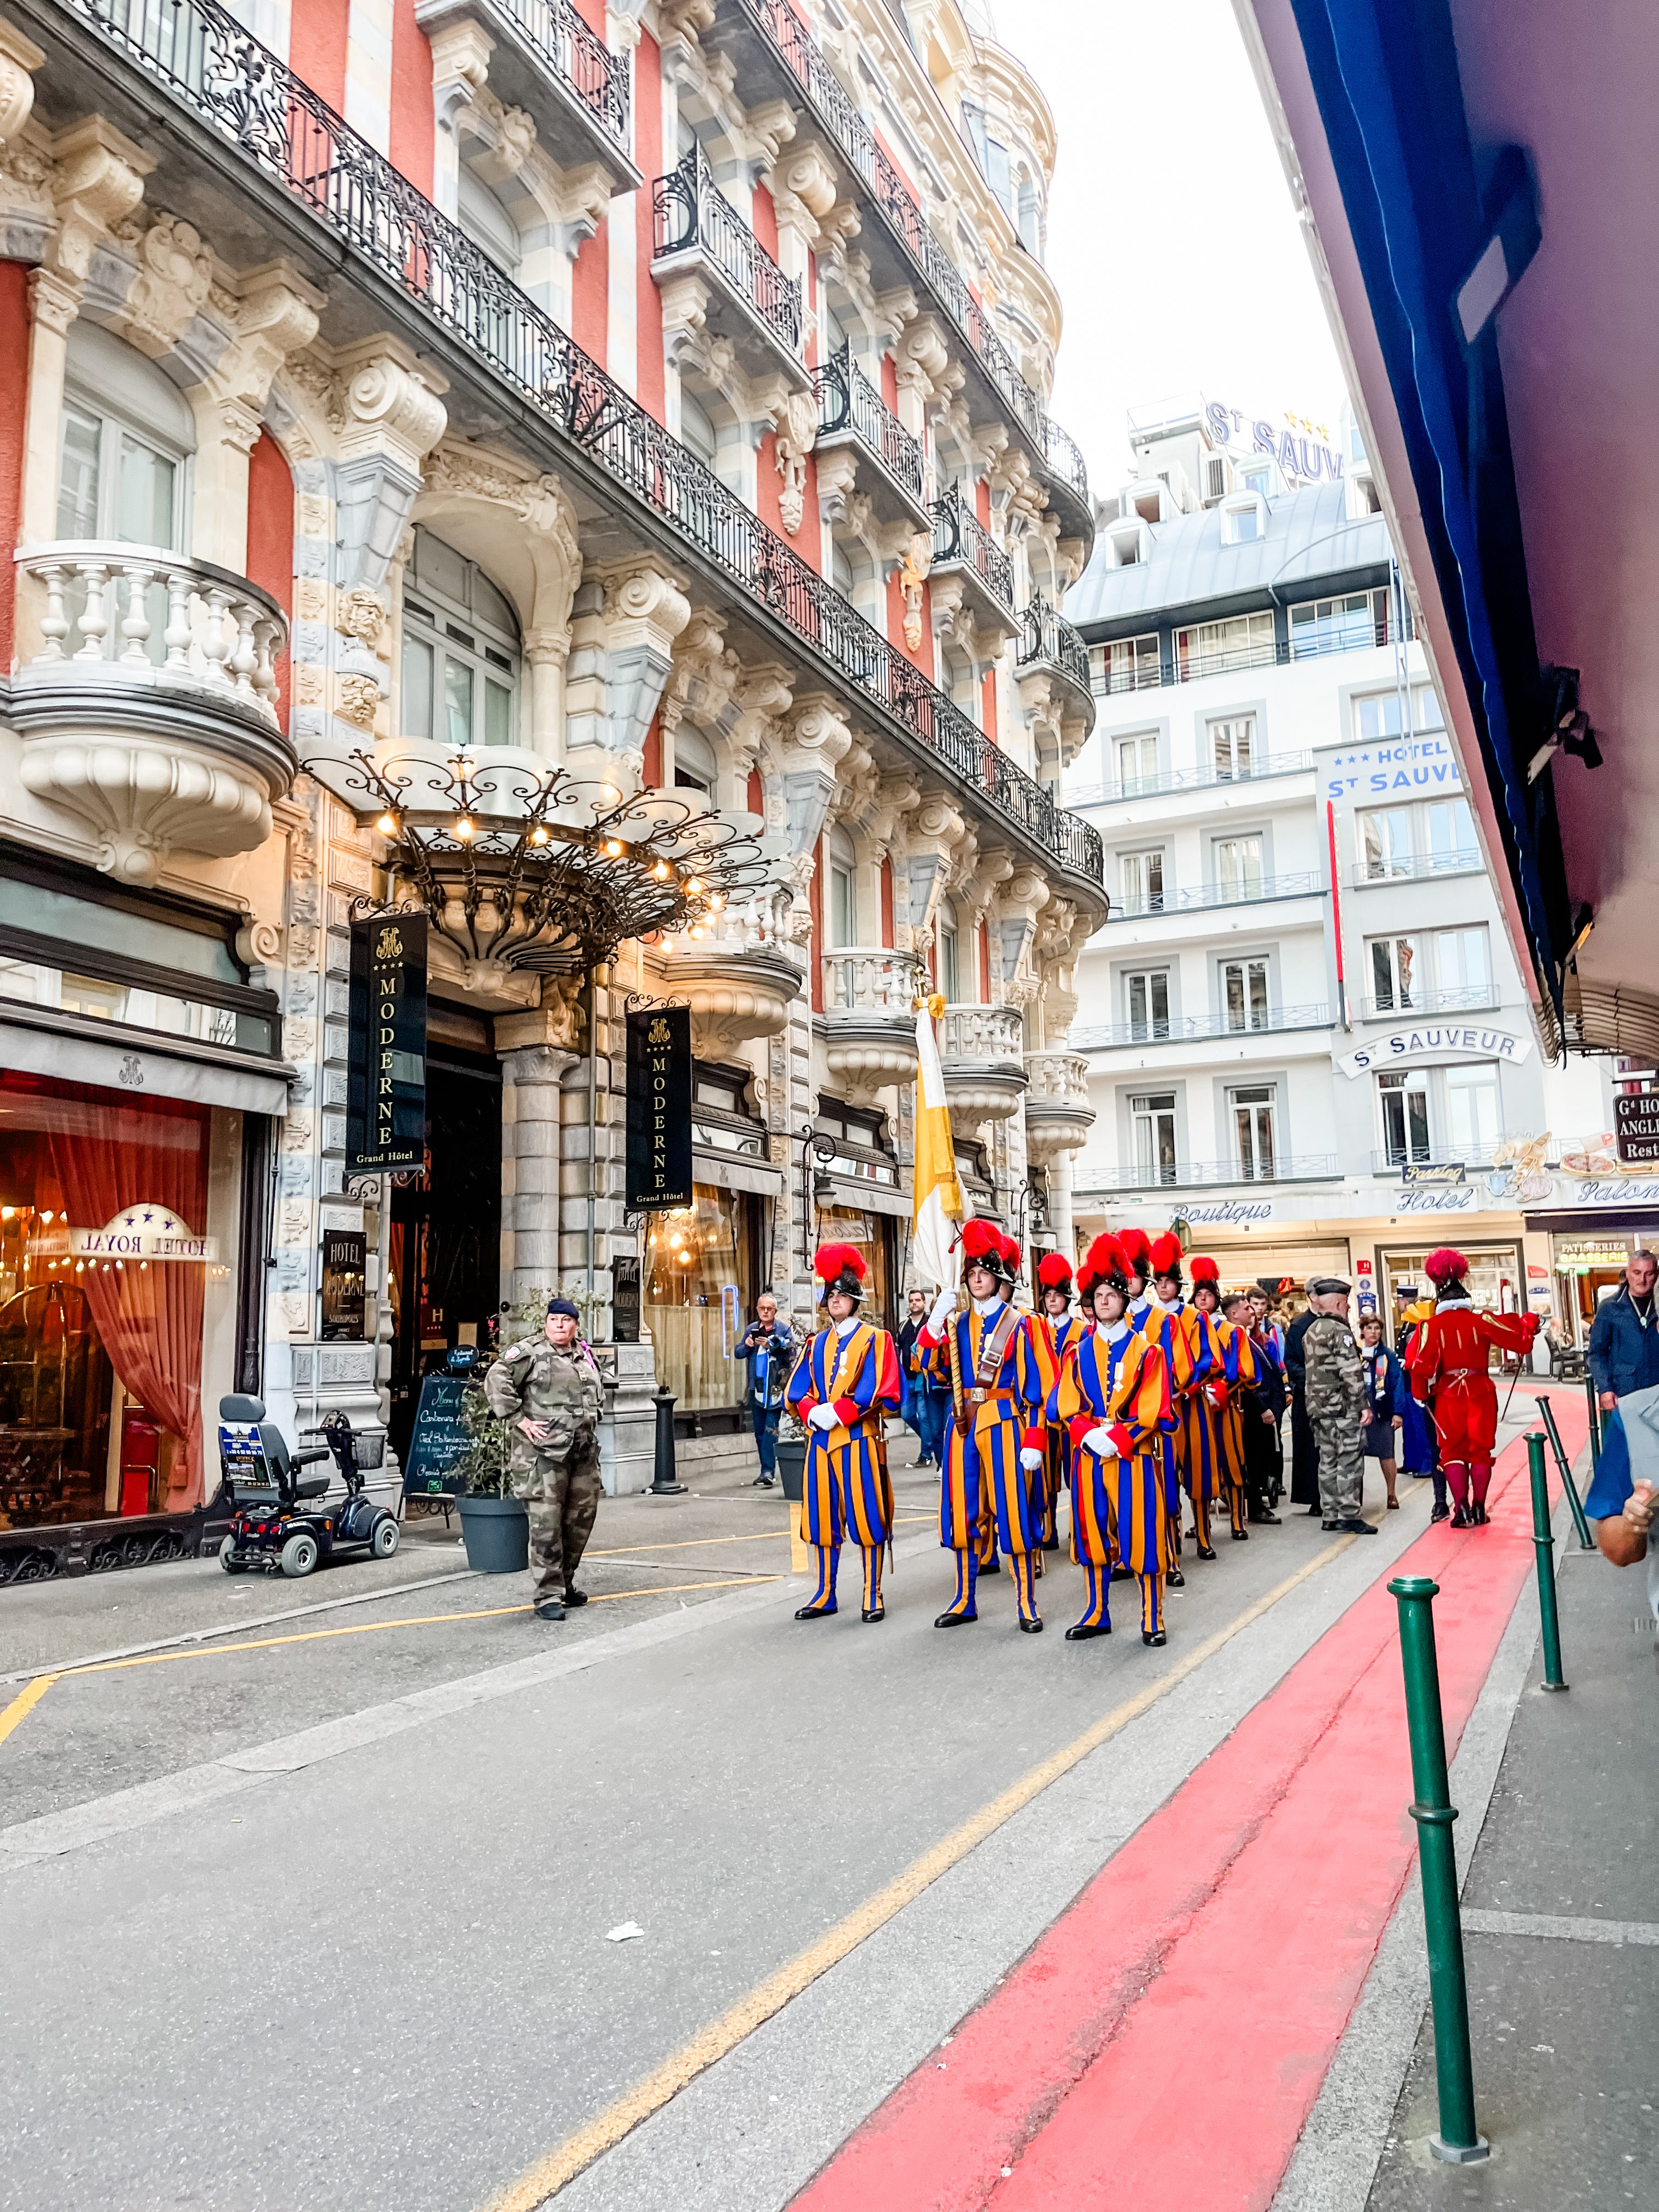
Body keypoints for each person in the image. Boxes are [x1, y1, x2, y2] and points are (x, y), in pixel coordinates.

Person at [918, 1218, 1047, 1631]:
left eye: (984, 1273)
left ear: (998, 1278)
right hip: (963, 1424)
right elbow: (928, 1366)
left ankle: (1026, 1601)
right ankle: (964, 1598)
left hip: (1005, 1421)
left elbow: (1040, 1388)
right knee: (963, 1510)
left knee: (1014, 1509)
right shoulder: (956, 1324)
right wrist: (933, 1324)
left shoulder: (1021, 1323)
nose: (977, 1280)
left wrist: (1035, 1438)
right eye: (971, 1273)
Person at [1053, 1234, 1176, 1645]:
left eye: (1111, 1295)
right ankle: (1096, 1611)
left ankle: (1152, 1616)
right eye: (1098, 1296)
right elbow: (1066, 1405)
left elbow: (1154, 1407)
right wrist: (1088, 1434)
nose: (1104, 1301)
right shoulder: (1076, 1353)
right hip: (1089, 1455)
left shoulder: (1149, 1352)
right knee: (1091, 1532)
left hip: (1133, 1457)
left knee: (1142, 1533)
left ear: (1125, 1299)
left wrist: (1121, 1437)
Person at [784, 1243, 902, 1622]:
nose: (835, 1300)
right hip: (820, 1440)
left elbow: (879, 1388)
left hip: (858, 1438)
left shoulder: (875, 1338)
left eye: (842, 1294)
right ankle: (825, 1592)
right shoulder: (816, 1343)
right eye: (830, 1294)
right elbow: (796, 1390)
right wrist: (812, 1411)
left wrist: (838, 1411)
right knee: (821, 1518)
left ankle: (872, 1592)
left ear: (855, 1300)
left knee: (868, 1515)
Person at [484, 1295, 607, 1621]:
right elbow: (497, 1378)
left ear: (576, 1325)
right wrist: (518, 1419)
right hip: (543, 1457)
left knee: (579, 1523)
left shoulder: (585, 1354)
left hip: (582, 1453)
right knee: (547, 1527)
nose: (559, 1325)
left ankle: (565, 1583)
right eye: (554, 1320)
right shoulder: (530, 1352)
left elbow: (596, 1394)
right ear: (546, 1323)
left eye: (566, 1321)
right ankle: (547, 1595)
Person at [1408, 1248, 1539, 1527]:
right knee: (1481, 1452)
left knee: (1452, 1452)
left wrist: (1421, 1396)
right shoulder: (1483, 1320)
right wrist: (1530, 1322)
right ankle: (1480, 1508)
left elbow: (1419, 1367)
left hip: (1448, 1394)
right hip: (1482, 1392)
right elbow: (1521, 1340)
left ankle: (1461, 1510)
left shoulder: (1430, 1327)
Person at [1139, 1232, 1198, 1586]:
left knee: (1168, 1485)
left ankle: (1172, 1556)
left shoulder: (1167, 1320)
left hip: (1164, 1412)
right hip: (1127, 1422)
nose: (1162, 1286)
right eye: (1157, 1281)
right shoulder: (1113, 1322)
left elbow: (1185, 1367)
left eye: (1167, 1281)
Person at [1585, 1250, 1659, 1515]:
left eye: (1649, 1274)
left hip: (1656, 1394)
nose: (1642, 1280)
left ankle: (1651, 1510)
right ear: (1628, 1273)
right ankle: (1616, 1514)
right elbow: (1596, 1353)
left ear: (1656, 1274)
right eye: (1637, 1273)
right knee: (1623, 1457)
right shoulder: (1610, 1308)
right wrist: (1605, 1388)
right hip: (1625, 1394)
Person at [1302, 1279, 1375, 1535]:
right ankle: (1349, 1515)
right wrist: (1363, 1405)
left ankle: (1330, 1514)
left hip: (1318, 1409)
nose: (1348, 1309)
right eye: (1345, 1304)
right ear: (1337, 1303)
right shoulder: (1339, 1331)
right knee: (1349, 1461)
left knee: (1327, 1461)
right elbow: (1351, 1371)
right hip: (1341, 1409)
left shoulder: (1311, 1330)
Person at [1028, 1251, 1087, 1550]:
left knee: (1075, 1475)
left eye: (1057, 1295)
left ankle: (1077, 1529)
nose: (1052, 1300)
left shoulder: (1081, 1330)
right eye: (1048, 1295)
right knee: (1045, 1476)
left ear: (1067, 1298)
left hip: (1072, 1411)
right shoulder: (1035, 1328)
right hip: (1044, 1411)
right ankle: (1049, 1529)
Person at [1181, 1256, 1237, 1555]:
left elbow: (1235, 1368)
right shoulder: (1185, 1322)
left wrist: (1221, 1391)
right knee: (1189, 1469)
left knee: (1229, 1460)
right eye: (1199, 1295)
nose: (1203, 1299)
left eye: (1208, 1295)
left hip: (1222, 1402)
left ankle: (1235, 1520)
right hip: (1190, 1400)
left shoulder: (1230, 1330)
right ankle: (1193, 1526)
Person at [1227, 1290, 1283, 1525]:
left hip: (1261, 1406)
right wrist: (1262, 1407)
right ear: (1234, 1314)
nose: (1251, 1311)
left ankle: (1255, 1504)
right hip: (1250, 1411)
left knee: (1260, 1458)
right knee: (1253, 1459)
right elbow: (1246, 1380)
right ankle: (1254, 1507)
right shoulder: (1234, 1338)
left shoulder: (1246, 1336)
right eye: (1246, 1308)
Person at [735, 1291, 797, 1488]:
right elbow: (738, 1353)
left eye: (769, 1309)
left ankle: (768, 1471)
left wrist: (772, 1346)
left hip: (775, 1390)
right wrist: (747, 1345)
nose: (765, 1311)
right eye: (762, 1308)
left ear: (775, 1311)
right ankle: (765, 1470)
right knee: (760, 1432)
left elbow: (792, 1353)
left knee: (771, 1430)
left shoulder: (783, 1330)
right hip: (756, 1388)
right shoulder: (752, 1329)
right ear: (757, 1310)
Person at [1358, 1312, 1406, 1510]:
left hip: (1381, 1411)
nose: (1374, 1332)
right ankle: (1355, 1498)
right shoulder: (1356, 1354)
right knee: (1355, 1456)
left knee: (1387, 1453)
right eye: (1369, 1328)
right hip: (1358, 1412)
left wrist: (1398, 1412)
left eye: (1377, 1328)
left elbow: (1397, 1383)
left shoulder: (1387, 1356)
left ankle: (1391, 1493)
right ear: (1362, 1331)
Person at [897, 1288, 946, 1469]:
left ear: (924, 1303)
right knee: (907, 1415)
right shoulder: (903, 1326)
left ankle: (926, 1455)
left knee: (924, 1417)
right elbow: (898, 1351)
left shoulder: (930, 1323)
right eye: (911, 1301)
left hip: (924, 1378)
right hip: (906, 1378)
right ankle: (932, 1443)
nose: (914, 1303)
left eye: (918, 1300)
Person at [1284, 1288, 1322, 1515]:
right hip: (1307, 1394)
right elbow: (1291, 1361)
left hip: (1333, 1395)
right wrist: (1312, 1380)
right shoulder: (1299, 1325)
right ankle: (1313, 1497)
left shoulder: (1337, 1322)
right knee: (1309, 1448)